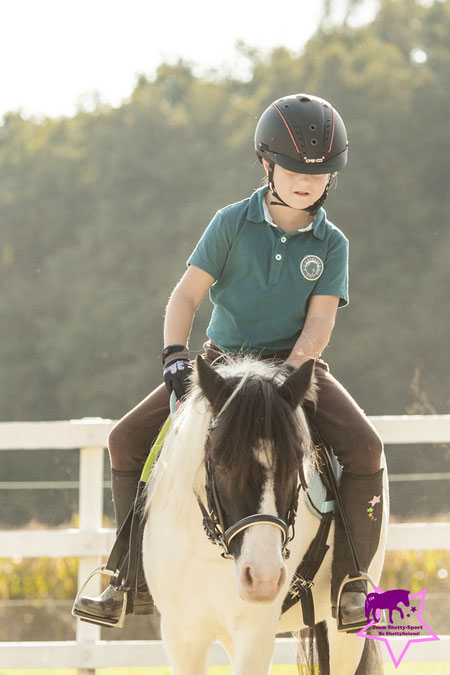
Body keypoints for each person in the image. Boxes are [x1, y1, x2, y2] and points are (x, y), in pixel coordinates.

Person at [74, 93, 384, 631]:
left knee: (366, 447)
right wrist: (175, 355)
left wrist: (292, 372)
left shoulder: (332, 244)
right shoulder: (231, 223)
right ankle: (129, 577)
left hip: (294, 371)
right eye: (292, 168)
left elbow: (319, 323)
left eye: (318, 172)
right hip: (220, 369)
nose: (305, 180)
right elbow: (186, 296)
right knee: (125, 439)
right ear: (267, 164)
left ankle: (354, 583)